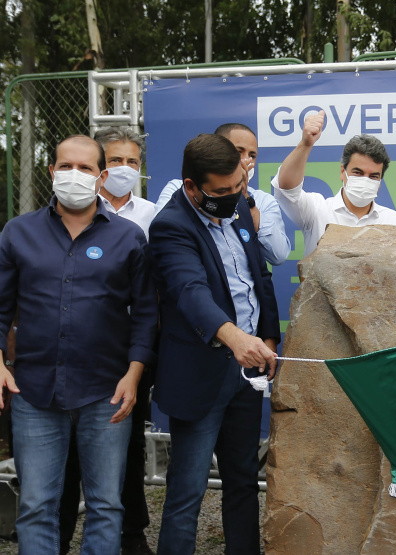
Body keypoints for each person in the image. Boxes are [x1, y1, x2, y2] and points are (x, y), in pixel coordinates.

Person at [0, 135, 157, 554]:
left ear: (101, 176)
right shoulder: (18, 233)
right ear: (51, 171)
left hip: (106, 391)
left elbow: (145, 315)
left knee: (106, 505)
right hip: (33, 392)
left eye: (86, 168)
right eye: (66, 166)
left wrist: (134, 373)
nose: (75, 175)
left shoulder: (128, 238)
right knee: (36, 504)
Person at [149, 134, 281, 554]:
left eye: (238, 188)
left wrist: (269, 336)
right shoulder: (171, 226)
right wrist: (234, 336)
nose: (232, 198)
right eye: (220, 192)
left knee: (243, 480)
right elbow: (190, 292)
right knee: (187, 489)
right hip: (200, 374)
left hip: (247, 372)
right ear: (191, 187)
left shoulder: (239, 206)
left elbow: (259, 277)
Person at [56, 127, 157, 554]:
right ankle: (55, 534)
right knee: (65, 452)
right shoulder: (59, 216)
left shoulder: (152, 216)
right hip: (70, 351)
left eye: (132, 162)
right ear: (101, 167)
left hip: (129, 354)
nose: (123, 169)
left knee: (128, 444)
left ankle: (130, 533)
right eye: (115, 160)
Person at [155, 122, 291, 266]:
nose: (246, 160)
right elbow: (163, 236)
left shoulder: (263, 201)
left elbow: (279, 256)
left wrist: (246, 200)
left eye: (252, 155)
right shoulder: (180, 190)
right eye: (239, 152)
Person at [272, 110, 396, 257]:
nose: (365, 180)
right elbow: (285, 188)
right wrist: (306, 143)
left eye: (373, 176)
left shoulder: (392, 220)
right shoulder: (317, 210)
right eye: (358, 173)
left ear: (380, 181)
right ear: (343, 171)